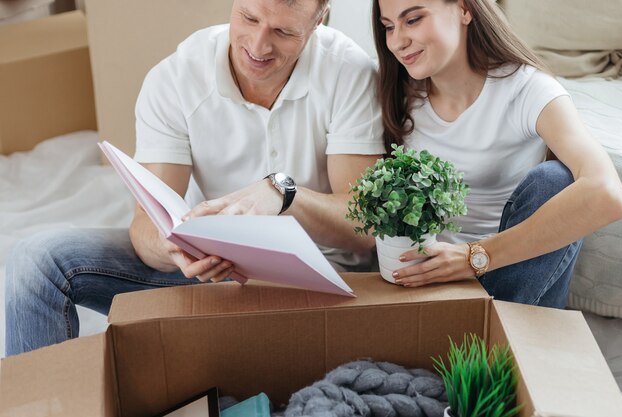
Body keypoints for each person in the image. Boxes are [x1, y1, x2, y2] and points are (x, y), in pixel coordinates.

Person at [5, 0, 385, 355]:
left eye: (283, 33)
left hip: (321, 282)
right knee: (35, 262)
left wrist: (283, 195)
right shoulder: (176, 78)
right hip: (216, 278)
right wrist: (173, 248)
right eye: (249, 18)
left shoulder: (349, 73)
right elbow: (144, 226)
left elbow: (363, 229)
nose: (258, 45)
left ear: (319, 21)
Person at [373, 0, 622, 307]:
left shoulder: (527, 89)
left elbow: (607, 194)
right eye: (389, 26)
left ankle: (484, 344)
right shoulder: (395, 95)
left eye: (413, 20)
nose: (398, 41)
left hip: (511, 283)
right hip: (429, 283)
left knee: (554, 179)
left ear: (465, 10)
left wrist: (475, 257)